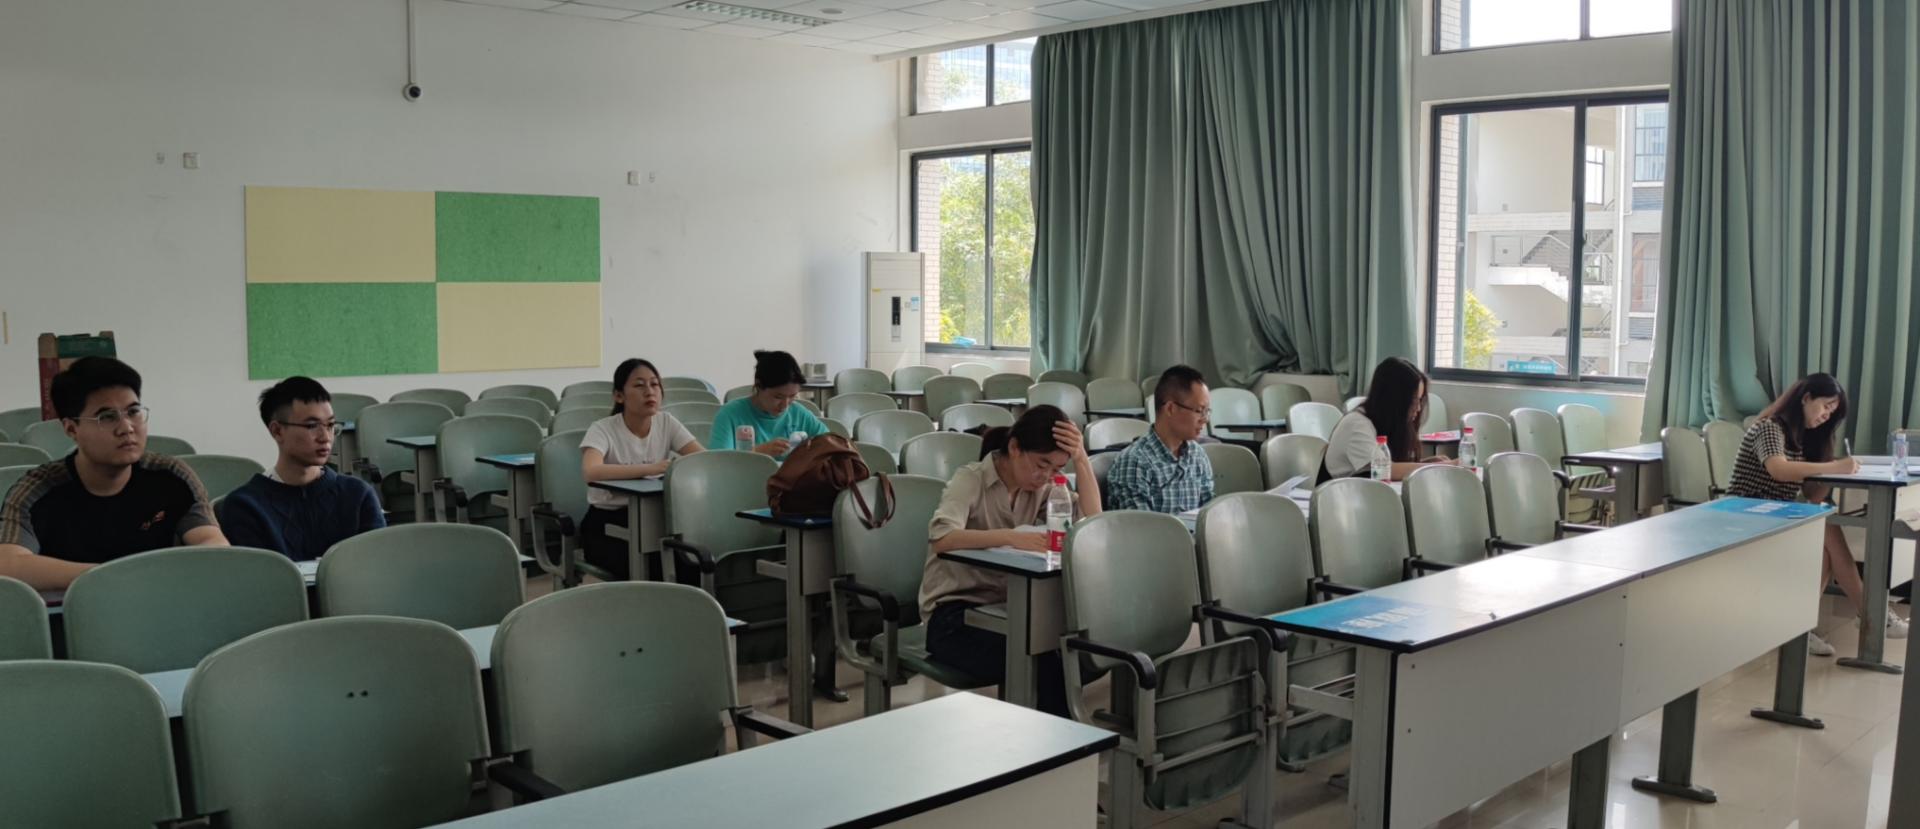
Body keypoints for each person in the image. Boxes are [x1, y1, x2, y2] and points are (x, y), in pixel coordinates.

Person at [919, 405, 1101, 716]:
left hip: (1010, 610)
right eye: (1041, 464)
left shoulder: (1044, 488)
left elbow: (1092, 521)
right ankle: (1053, 740)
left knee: (1073, 649)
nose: (1046, 476)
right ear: (1015, 448)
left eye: (1057, 468)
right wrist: (1011, 537)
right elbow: (943, 538)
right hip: (953, 618)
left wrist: (1082, 459)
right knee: (1046, 659)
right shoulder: (971, 479)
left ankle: (1049, 736)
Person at [0, 357, 228, 589]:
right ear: (71, 428)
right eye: (107, 417)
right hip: (73, 608)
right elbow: (8, 564)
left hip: (159, 602)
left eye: (133, 411)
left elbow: (214, 545)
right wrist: (114, 577)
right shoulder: (37, 490)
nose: (126, 427)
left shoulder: (172, 477)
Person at [1725, 373, 1908, 656]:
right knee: (1826, 526)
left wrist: (1830, 467)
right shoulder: (1770, 427)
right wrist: (1834, 467)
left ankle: (1799, 628)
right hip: (1744, 515)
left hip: (1776, 514)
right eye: (1825, 406)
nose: (1826, 415)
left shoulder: (1802, 436)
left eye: (1832, 413)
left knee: (1824, 544)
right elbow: (1779, 469)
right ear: (1806, 398)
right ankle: (1871, 614)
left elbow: (1813, 496)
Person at [222, 377, 385, 561]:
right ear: (277, 431)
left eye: (330, 425)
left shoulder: (358, 495)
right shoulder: (245, 506)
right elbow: (258, 575)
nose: (325, 437)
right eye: (312, 426)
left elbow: (377, 566)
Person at [579, 358, 703, 580]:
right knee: (656, 571)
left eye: (654, 384)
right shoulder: (602, 429)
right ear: (619, 396)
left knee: (693, 564)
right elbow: (591, 471)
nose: (649, 392)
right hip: (607, 524)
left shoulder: (667, 422)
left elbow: (703, 460)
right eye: (639, 385)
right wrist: (650, 468)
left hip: (657, 519)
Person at [1323, 357, 1453, 482]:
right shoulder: (1356, 424)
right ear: (1394, 400)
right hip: (1341, 495)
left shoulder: (1386, 423)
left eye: (1420, 400)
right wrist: (1442, 467)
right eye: (1413, 401)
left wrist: (1426, 463)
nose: (1418, 408)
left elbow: (1391, 466)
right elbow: (1383, 470)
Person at [1105, 365, 1215, 513]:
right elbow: (1139, 524)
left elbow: (1209, 513)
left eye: (1207, 411)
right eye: (1200, 411)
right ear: (1170, 409)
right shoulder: (1135, 461)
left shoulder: (1197, 454)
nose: (1205, 419)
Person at [708, 350, 827, 458]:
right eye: (778, 397)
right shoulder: (730, 414)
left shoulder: (799, 414)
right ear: (758, 385)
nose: (785, 405)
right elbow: (718, 464)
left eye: (792, 396)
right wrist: (758, 451)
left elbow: (830, 445)